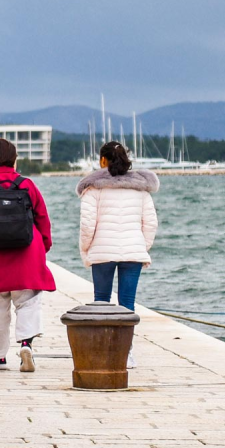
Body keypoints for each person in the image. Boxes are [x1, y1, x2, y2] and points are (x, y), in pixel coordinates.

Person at [0, 138, 55, 372]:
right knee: (28, 302)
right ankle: (26, 344)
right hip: (26, 254)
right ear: (13, 158)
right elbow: (43, 220)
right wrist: (43, 247)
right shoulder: (27, 184)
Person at [77, 141, 159, 366]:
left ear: (103, 160)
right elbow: (151, 223)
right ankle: (126, 353)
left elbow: (87, 225)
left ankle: (102, 349)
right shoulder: (140, 190)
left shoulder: (93, 189)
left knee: (101, 302)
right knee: (127, 304)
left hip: (102, 252)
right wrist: (142, 246)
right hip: (133, 252)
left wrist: (86, 249)